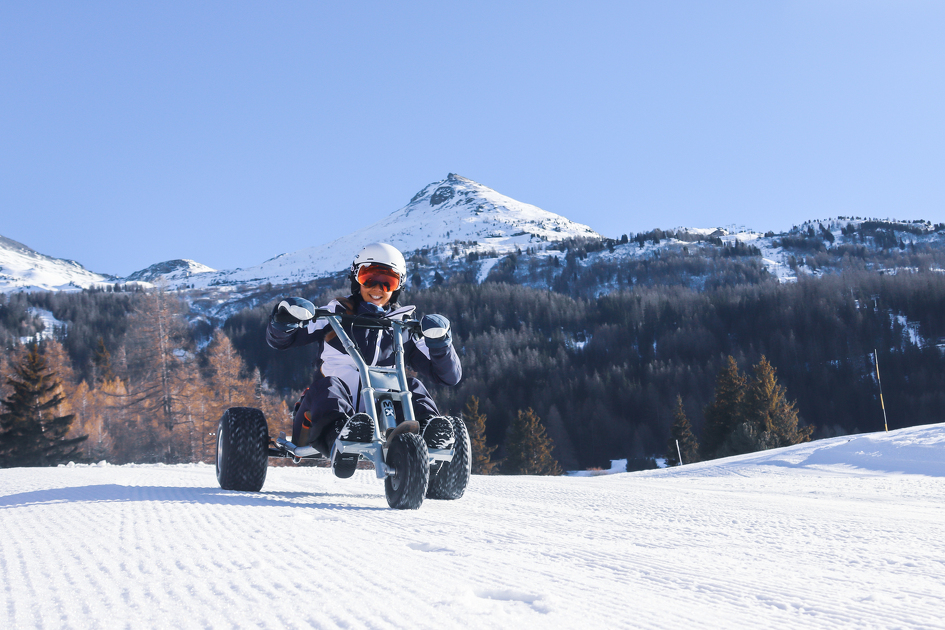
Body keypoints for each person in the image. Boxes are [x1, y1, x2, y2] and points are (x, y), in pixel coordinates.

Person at [265, 242, 462, 477]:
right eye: (369, 278)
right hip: (324, 410)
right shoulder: (333, 314)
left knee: (412, 387)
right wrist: (284, 318)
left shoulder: (405, 327)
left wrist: (441, 343)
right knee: (329, 386)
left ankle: (431, 435)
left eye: (388, 281)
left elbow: (448, 376)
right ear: (357, 279)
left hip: (382, 414)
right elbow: (281, 340)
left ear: (398, 286)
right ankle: (341, 435)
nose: (377, 288)